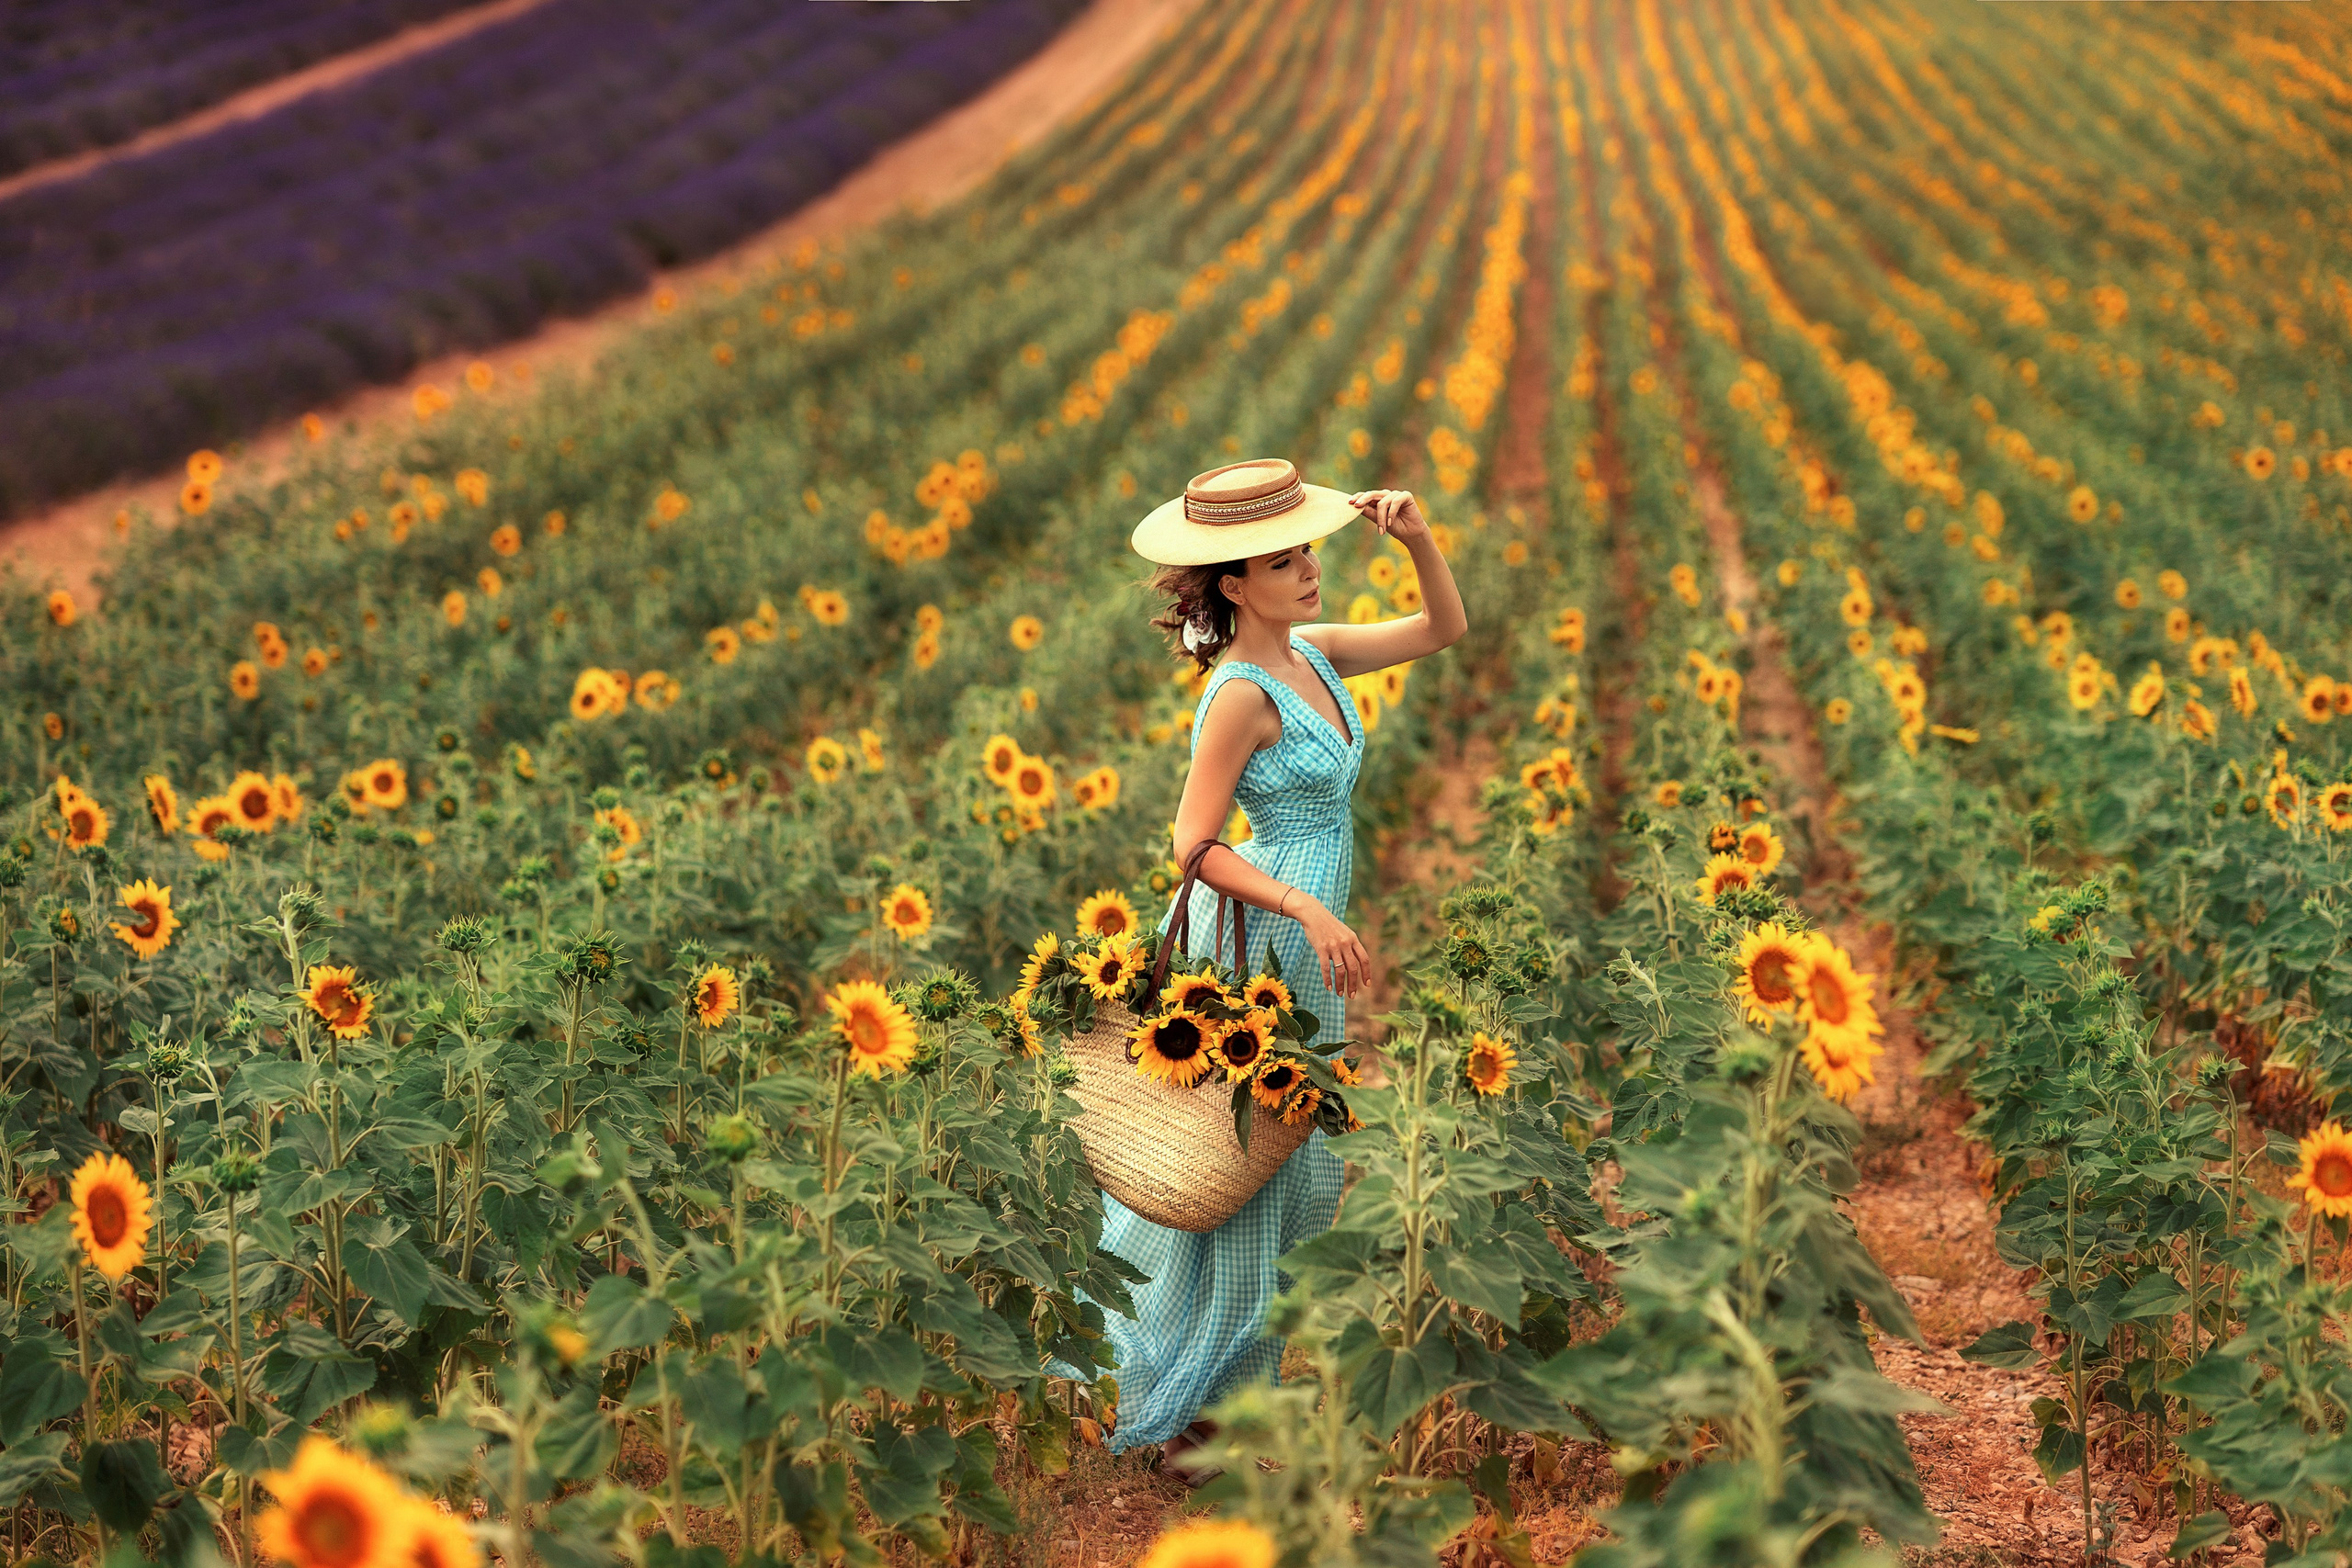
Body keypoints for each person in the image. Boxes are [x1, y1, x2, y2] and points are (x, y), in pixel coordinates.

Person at [1102, 456, 1467, 1480]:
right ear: (1231, 583)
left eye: (1306, 548)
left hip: (1309, 930)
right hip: (1266, 934)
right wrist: (1302, 904)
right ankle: (1195, 1412)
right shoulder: (1238, 694)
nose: (1307, 568)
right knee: (1245, 1170)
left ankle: (1227, 1399)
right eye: (1281, 560)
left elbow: (1441, 632)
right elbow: (1192, 845)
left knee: (1294, 1175)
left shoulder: (1313, 651)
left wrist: (1418, 539)